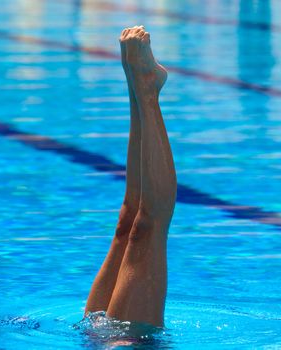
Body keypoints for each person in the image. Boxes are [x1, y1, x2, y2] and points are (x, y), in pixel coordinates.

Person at [84, 26, 176, 328]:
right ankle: (144, 90)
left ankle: (138, 86)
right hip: (134, 344)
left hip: (96, 338)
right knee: (146, 226)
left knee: (128, 223)